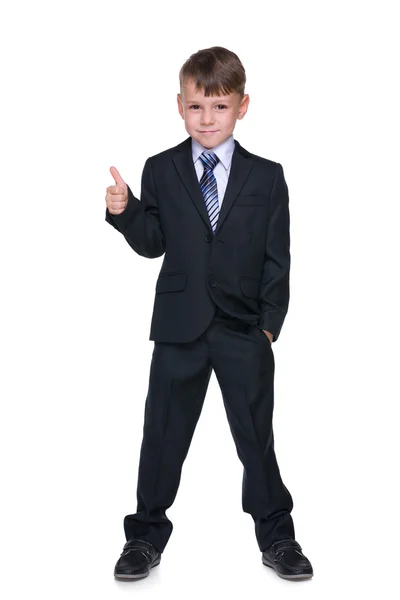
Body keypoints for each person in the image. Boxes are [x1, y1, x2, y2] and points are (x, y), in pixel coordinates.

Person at [105, 46, 313, 581]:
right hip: (179, 328)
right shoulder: (163, 168)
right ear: (180, 105)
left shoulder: (267, 177)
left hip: (244, 328)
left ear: (242, 106)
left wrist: (270, 324)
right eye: (196, 107)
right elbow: (154, 243)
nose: (207, 119)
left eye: (219, 108)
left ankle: (278, 535)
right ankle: (144, 537)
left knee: (255, 436)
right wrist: (126, 212)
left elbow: (277, 256)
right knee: (163, 434)